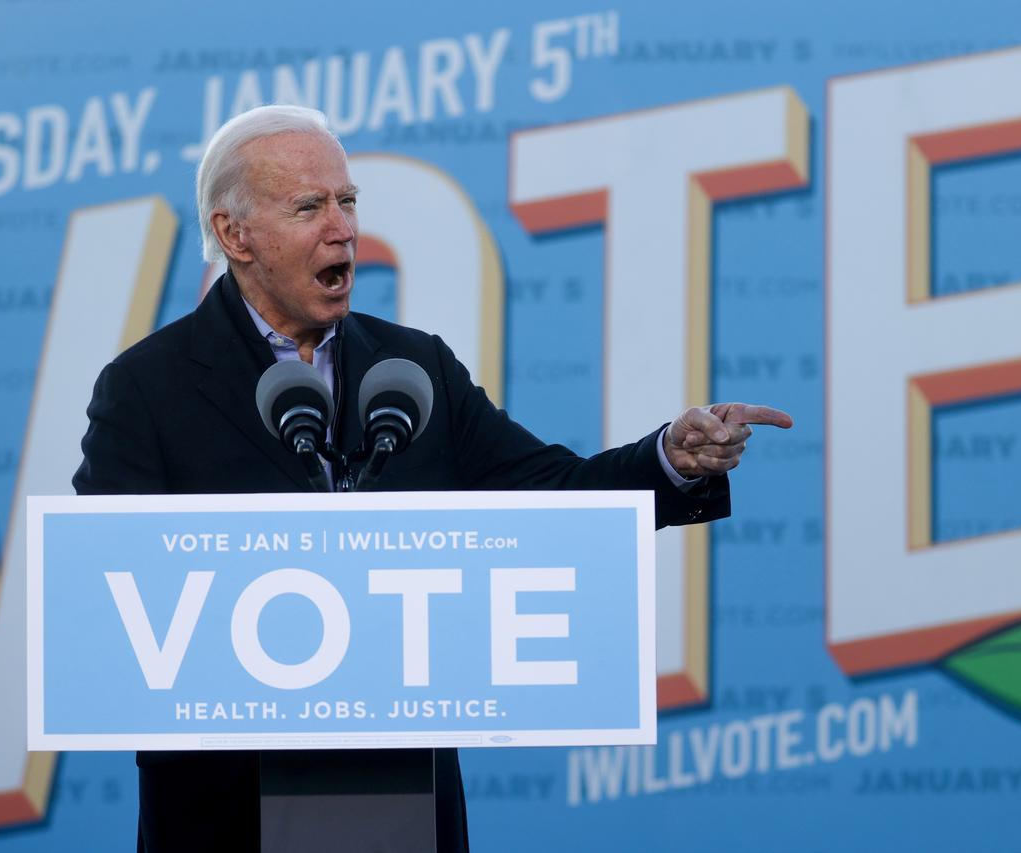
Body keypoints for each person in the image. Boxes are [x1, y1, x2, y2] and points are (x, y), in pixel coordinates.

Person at [73, 104, 792, 852]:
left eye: (348, 201)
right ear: (234, 235)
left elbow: (552, 492)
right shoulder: (147, 390)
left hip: (399, 799)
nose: (343, 227)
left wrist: (670, 462)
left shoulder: (413, 369)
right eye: (310, 206)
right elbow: (107, 602)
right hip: (226, 810)